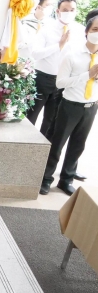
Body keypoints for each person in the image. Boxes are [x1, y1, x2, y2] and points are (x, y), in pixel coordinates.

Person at [39, 15, 98, 196]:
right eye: (95, 30)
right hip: (69, 106)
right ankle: (46, 179)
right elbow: (61, 83)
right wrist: (87, 75)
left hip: (90, 106)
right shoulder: (72, 54)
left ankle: (66, 180)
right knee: (57, 144)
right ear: (87, 32)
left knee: (78, 145)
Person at [28, 0, 85, 139]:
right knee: (31, 116)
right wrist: (58, 45)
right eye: (65, 10)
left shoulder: (79, 30)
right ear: (58, 11)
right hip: (42, 78)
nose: (69, 12)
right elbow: (35, 53)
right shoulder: (47, 28)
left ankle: (41, 151)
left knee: (51, 120)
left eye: (72, 10)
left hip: (62, 82)